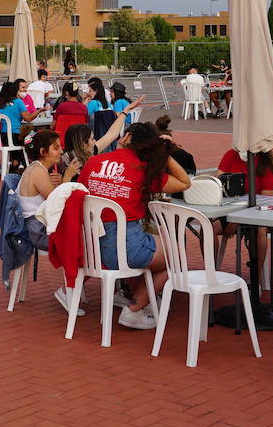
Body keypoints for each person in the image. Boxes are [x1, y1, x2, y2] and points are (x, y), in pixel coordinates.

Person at [80, 122, 192, 328]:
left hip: (91, 249)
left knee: (151, 248)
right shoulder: (143, 170)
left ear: (125, 138)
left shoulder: (93, 162)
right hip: (125, 248)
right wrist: (165, 152)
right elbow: (185, 182)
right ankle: (133, 309)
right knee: (175, 255)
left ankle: (135, 298)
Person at [0, 81, 35, 148]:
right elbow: (28, 119)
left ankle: (14, 157)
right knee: (33, 135)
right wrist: (39, 110)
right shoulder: (18, 102)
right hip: (16, 135)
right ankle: (26, 157)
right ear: (15, 91)